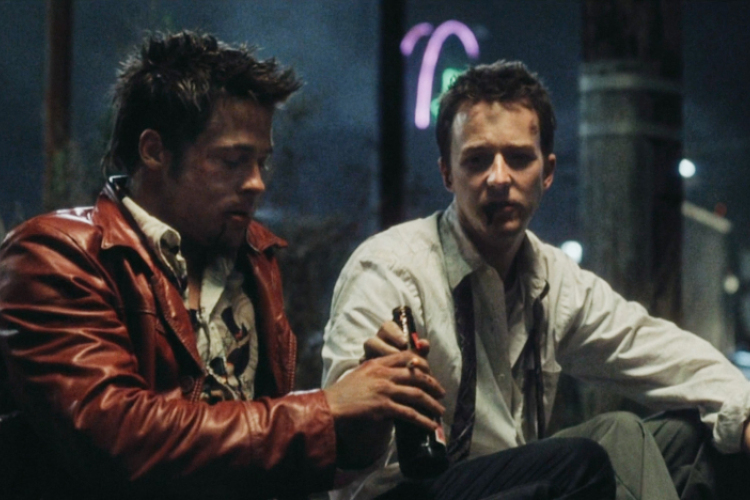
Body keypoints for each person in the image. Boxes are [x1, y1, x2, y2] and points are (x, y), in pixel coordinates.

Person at [0, 31, 451, 500]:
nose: (256, 183)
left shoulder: (251, 257)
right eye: (233, 161)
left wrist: (369, 412)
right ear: (154, 151)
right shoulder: (57, 254)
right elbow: (121, 442)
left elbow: (275, 453)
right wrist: (326, 409)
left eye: (261, 163)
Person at [322, 60, 750, 500]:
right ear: (447, 172)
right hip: (408, 494)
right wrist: (372, 407)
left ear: (546, 172)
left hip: (519, 486)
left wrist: (745, 414)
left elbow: (655, 348)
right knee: (614, 438)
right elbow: (341, 455)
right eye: (477, 160)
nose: (499, 178)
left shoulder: (550, 277)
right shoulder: (390, 268)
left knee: (701, 439)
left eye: (519, 158)